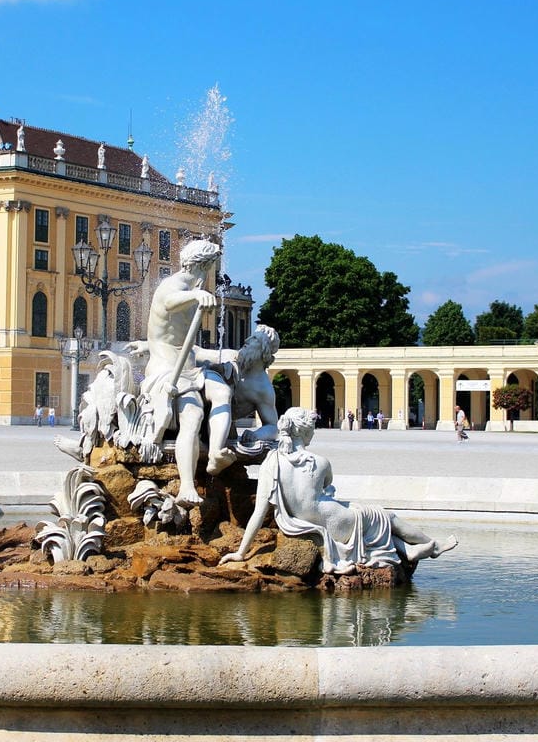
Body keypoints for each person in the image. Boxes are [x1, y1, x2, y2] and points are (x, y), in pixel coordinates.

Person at [221, 408, 457, 572]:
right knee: (385, 516)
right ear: (304, 431)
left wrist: (242, 552)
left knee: (370, 518)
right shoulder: (319, 462)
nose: (315, 432)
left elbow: (259, 512)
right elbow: (326, 489)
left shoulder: (271, 462)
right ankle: (433, 546)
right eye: (313, 428)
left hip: (302, 522)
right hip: (336, 521)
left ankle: (408, 550)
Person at [140, 238, 234, 506]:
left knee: (222, 390)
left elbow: (185, 344)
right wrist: (195, 295)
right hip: (168, 369)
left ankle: (216, 452)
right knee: (192, 414)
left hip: (189, 366)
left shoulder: (194, 288)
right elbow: (168, 302)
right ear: (204, 265)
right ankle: (187, 486)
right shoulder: (176, 285)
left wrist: (220, 356)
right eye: (212, 267)